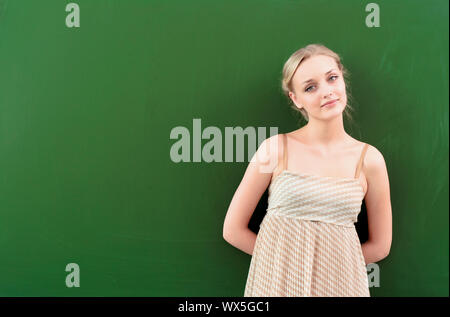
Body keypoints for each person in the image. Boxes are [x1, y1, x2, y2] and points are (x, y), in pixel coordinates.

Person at [222, 44, 392, 297]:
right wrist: (284, 266)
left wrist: (331, 271)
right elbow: (233, 230)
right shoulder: (275, 149)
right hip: (276, 285)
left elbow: (380, 246)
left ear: (342, 79)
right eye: (310, 87)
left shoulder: (370, 160)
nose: (327, 92)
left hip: (342, 287)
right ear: (296, 98)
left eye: (332, 78)